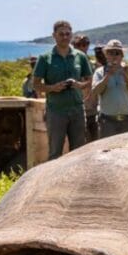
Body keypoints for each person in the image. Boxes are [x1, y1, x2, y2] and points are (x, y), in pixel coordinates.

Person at [33, 20, 92, 160]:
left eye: (67, 34)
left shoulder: (80, 56)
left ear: (71, 35)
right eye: (61, 34)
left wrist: (79, 85)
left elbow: (89, 80)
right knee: (55, 152)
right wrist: (53, 88)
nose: (65, 37)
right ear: (54, 35)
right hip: (56, 111)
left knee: (79, 153)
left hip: (77, 110)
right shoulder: (45, 58)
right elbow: (36, 85)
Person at [91, 39, 128, 137]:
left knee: (127, 150)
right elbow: (95, 91)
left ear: (122, 55)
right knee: (107, 150)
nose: (114, 56)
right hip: (107, 121)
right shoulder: (99, 72)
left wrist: (126, 76)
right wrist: (107, 76)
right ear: (106, 55)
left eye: (117, 53)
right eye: (110, 53)